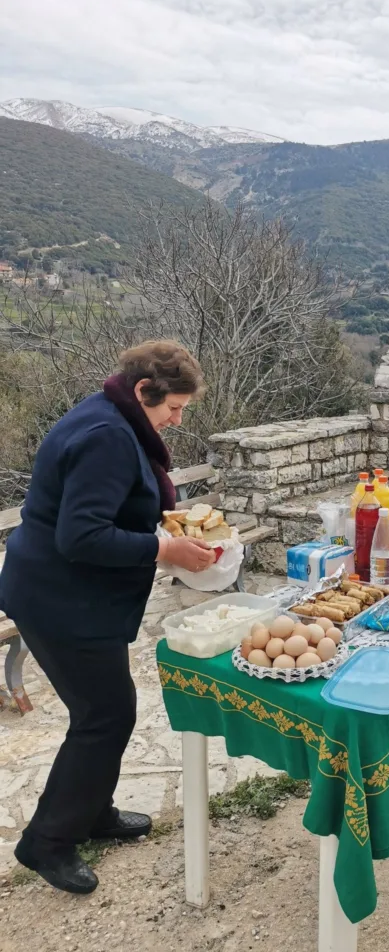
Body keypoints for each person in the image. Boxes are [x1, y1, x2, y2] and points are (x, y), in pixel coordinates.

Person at [0, 340, 216, 894]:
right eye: (174, 407)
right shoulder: (107, 437)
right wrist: (163, 549)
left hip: (68, 592)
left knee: (102, 710)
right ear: (144, 390)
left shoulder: (111, 414)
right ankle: (47, 843)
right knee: (105, 716)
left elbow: (108, 507)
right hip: (58, 599)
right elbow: (81, 535)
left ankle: (93, 811)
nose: (177, 419)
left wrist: (165, 529)